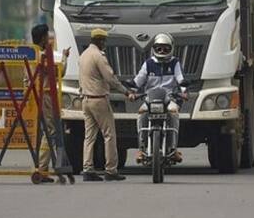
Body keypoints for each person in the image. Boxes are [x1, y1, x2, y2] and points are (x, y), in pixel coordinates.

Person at [78, 28, 135, 181]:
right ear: (100, 40)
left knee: (89, 137)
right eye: (104, 41)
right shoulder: (98, 56)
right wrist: (126, 91)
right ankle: (111, 170)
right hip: (99, 100)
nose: (105, 44)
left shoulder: (83, 55)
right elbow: (110, 78)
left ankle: (87, 169)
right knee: (109, 135)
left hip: (86, 99)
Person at [132, 33, 188, 163]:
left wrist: (184, 91)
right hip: (150, 99)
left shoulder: (175, 63)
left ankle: (173, 149)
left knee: (174, 114)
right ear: (154, 49)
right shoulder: (149, 63)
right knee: (141, 114)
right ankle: (141, 148)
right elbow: (138, 80)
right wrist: (131, 91)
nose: (162, 51)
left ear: (171, 49)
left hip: (169, 99)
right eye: (159, 48)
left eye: (165, 49)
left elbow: (181, 79)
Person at [30, 24, 70, 183]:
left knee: (44, 132)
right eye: (47, 36)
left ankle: (42, 168)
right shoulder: (41, 56)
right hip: (45, 95)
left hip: (36, 95)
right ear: (42, 38)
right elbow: (58, 73)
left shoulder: (32, 53)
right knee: (49, 131)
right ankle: (42, 169)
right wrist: (65, 58)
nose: (49, 39)